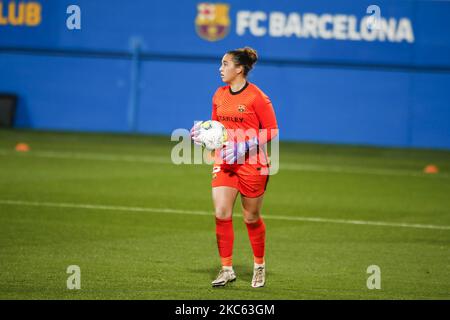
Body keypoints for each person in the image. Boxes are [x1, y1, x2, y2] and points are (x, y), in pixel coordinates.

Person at [191, 47, 278, 288]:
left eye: (225, 64)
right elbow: (215, 128)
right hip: (226, 161)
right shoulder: (219, 94)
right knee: (221, 212)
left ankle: (259, 266)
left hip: (252, 163)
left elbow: (272, 130)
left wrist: (246, 146)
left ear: (239, 68)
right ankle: (226, 269)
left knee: (251, 217)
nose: (220, 68)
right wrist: (201, 135)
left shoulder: (256, 97)